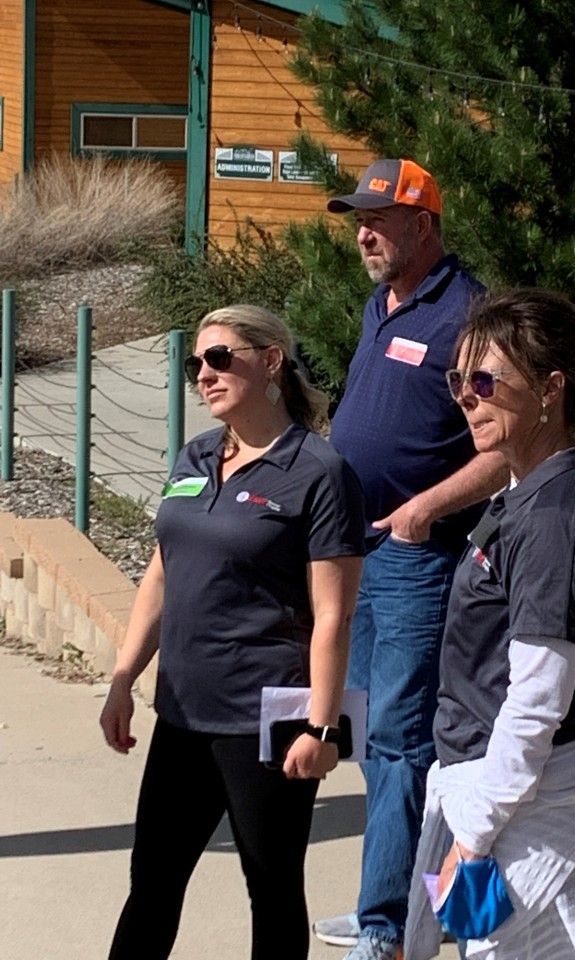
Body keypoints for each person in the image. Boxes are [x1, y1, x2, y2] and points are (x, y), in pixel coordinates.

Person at [99, 305, 365, 960]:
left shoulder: (320, 473)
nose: (204, 375)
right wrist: (123, 678)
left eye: (219, 358)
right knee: (152, 883)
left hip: (263, 721)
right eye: (197, 363)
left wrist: (322, 727)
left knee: (271, 890)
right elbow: (161, 577)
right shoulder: (195, 456)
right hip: (183, 715)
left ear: (271, 360)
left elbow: (333, 613)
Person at [315, 159, 508, 960]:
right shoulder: (381, 303)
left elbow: (503, 448)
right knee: (372, 738)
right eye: (357, 217)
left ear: (423, 225)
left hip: (415, 561)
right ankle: (388, 904)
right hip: (353, 551)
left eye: (379, 219)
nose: (363, 231)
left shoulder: (468, 317)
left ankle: (390, 930)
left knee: (409, 742)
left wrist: (425, 509)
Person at [404, 289, 575, 960]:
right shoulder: (528, 490)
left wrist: (473, 836)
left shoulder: (555, 520)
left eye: (484, 381)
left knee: (501, 951)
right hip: (523, 789)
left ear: (549, 390)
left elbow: (536, 702)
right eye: (458, 382)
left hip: (533, 800)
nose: (466, 398)